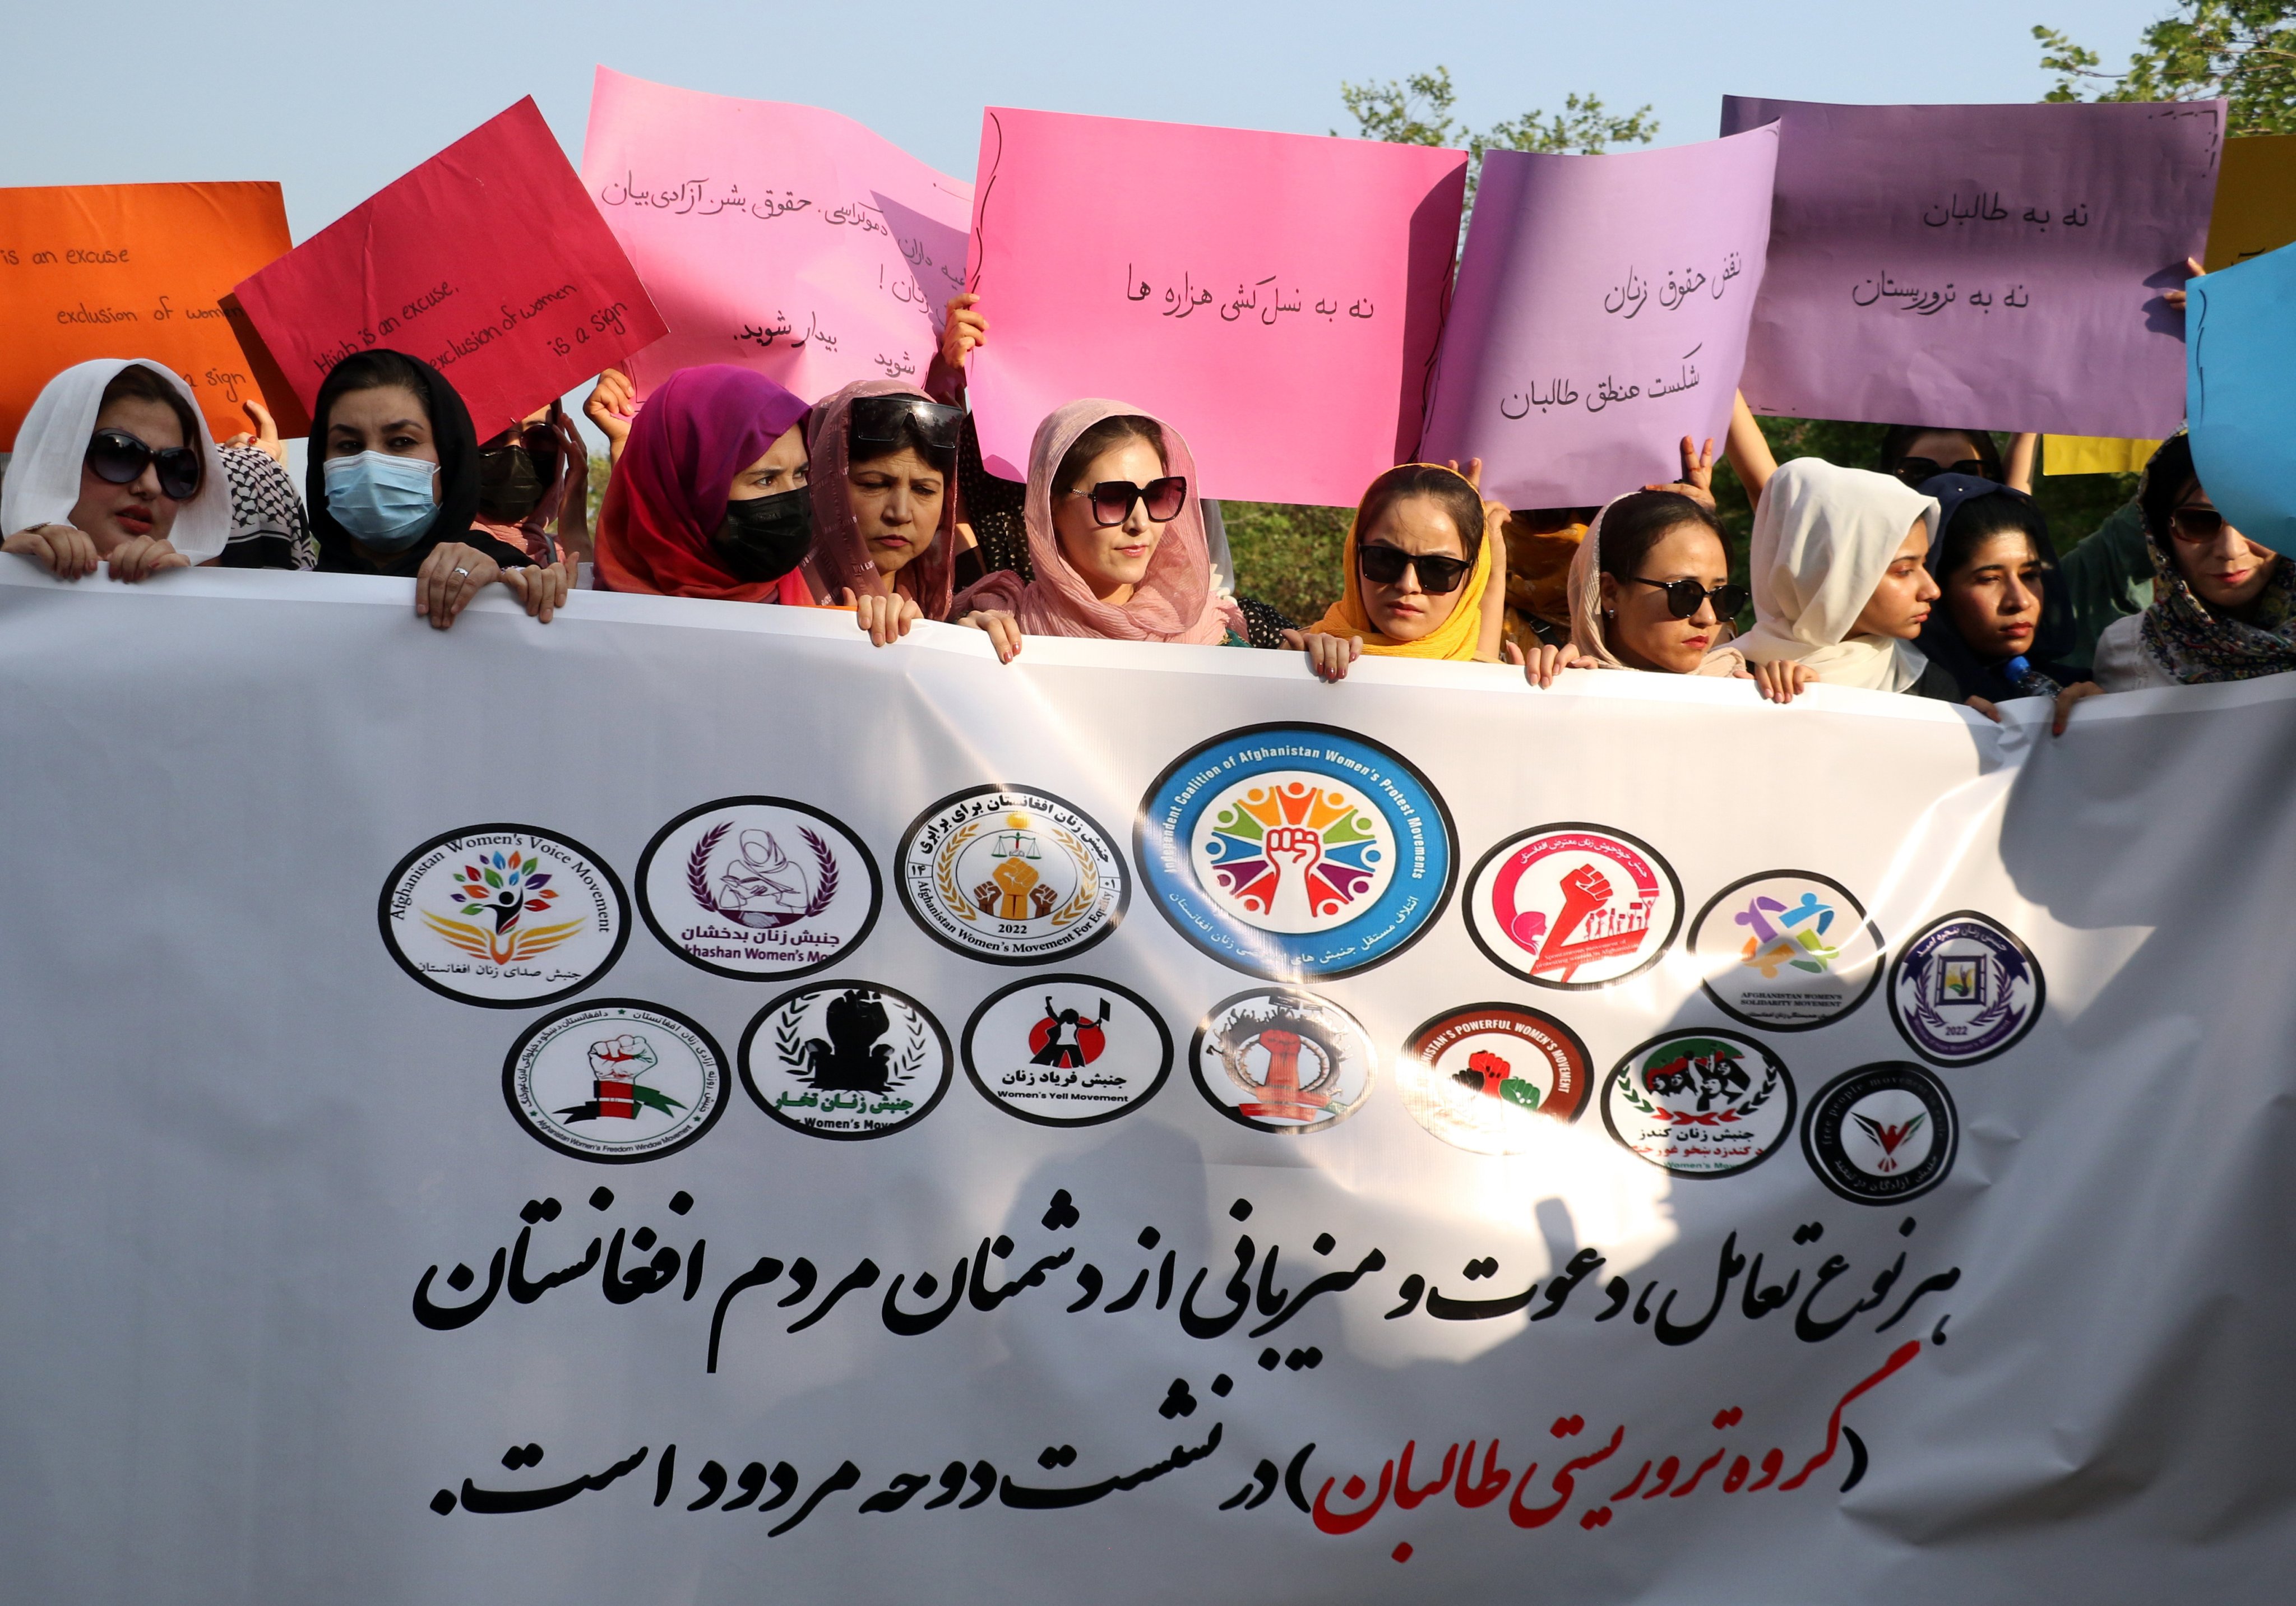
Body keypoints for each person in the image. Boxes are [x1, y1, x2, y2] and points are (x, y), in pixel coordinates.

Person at [951, 400, 1246, 657]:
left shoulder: (1207, 635)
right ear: (1050, 505)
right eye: (1113, 498)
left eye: (1158, 495)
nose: (1140, 523)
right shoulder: (1002, 626)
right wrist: (962, 648)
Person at [306, 349, 564, 630]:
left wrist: (509, 587)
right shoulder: (288, 598)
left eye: (401, 441)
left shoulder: (503, 571)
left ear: (450, 456)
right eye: (349, 445)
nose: (371, 464)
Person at [2056, 434, 2295, 721]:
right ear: (2160, 536)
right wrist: (2094, 724)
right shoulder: (2128, 648)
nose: (2230, 550)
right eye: (2198, 522)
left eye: (2252, 520)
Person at [1723, 456, 1952, 700]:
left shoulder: (1931, 689)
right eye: (1904, 571)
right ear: (1831, 573)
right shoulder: (1727, 676)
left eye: (1924, 564)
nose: (1932, 590)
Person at [591, 364, 814, 602]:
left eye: (801, 474)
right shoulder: (579, 612)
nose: (794, 502)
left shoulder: (822, 605)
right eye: (766, 480)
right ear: (689, 491)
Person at [2, 358, 231, 582]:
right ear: (56, 463)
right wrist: (12, 582)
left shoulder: (215, 603)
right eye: (119, 454)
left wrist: (185, 605)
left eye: (176, 467)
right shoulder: (9, 588)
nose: (152, 486)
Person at [1913, 475, 2091, 713]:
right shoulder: (1906, 697)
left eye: (2030, 575)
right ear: (1937, 588)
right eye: (1989, 579)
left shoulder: (2076, 693)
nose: (2020, 601)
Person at [802, 381, 959, 646]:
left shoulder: (943, 617)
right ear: (828, 485)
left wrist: (973, 638)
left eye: (924, 490)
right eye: (874, 485)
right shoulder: (772, 604)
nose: (899, 513)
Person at [1564, 490, 1757, 682]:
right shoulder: (1555, 687)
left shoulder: (1744, 689)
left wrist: (1777, 701)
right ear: (1610, 593)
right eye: (1684, 593)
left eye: (1720, 595)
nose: (1708, 617)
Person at [473, 402, 590, 576]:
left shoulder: (562, 558)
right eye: (492, 434)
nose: (514, 453)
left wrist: (576, 532)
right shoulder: (434, 554)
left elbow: (593, 601)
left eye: (539, 436)